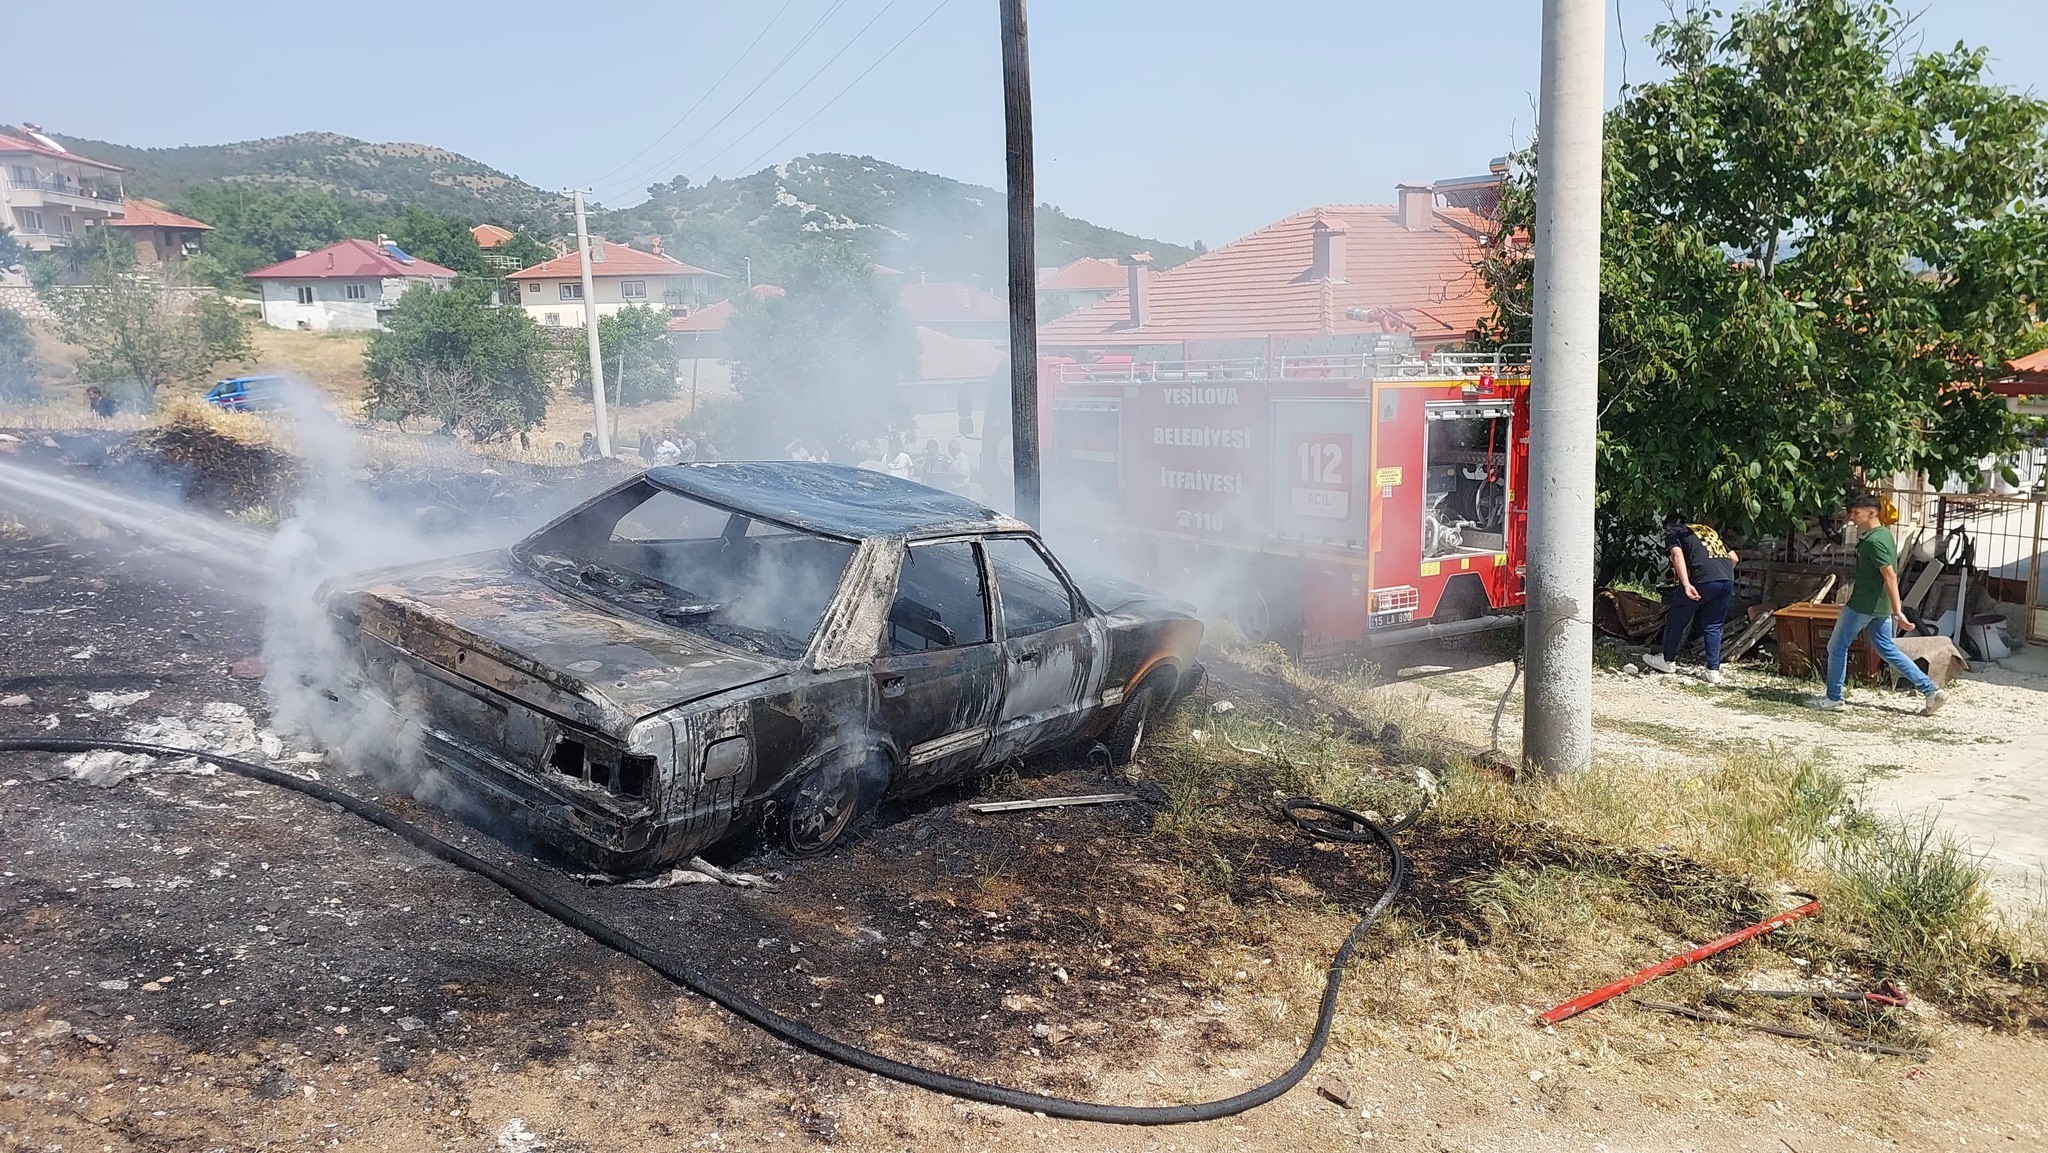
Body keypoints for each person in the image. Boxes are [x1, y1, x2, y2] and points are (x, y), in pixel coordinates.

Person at [1807, 492, 1947, 715]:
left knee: (1837, 646)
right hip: (1880, 605)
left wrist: (1898, 611)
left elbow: (1889, 575)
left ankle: (1833, 698)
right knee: (1886, 649)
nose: (1852, 517)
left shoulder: (1874, 541)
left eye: (1856, 513)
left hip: (1863, 604)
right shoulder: (1883, 534)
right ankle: (1930, 690)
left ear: (1872, 512)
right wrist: (1892, 607)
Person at [1643, 513, 1738, 684]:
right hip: (1727, 579)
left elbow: (1676, 555)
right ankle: (1713, 671)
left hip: (1701, 579)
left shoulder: (1675, 532)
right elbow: (1734, 558)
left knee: (1676, 618)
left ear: (1668, 528)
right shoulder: (1707, 531)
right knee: (1713, 625)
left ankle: (1667, 660)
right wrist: (1719, 573)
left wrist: (1686, 584)